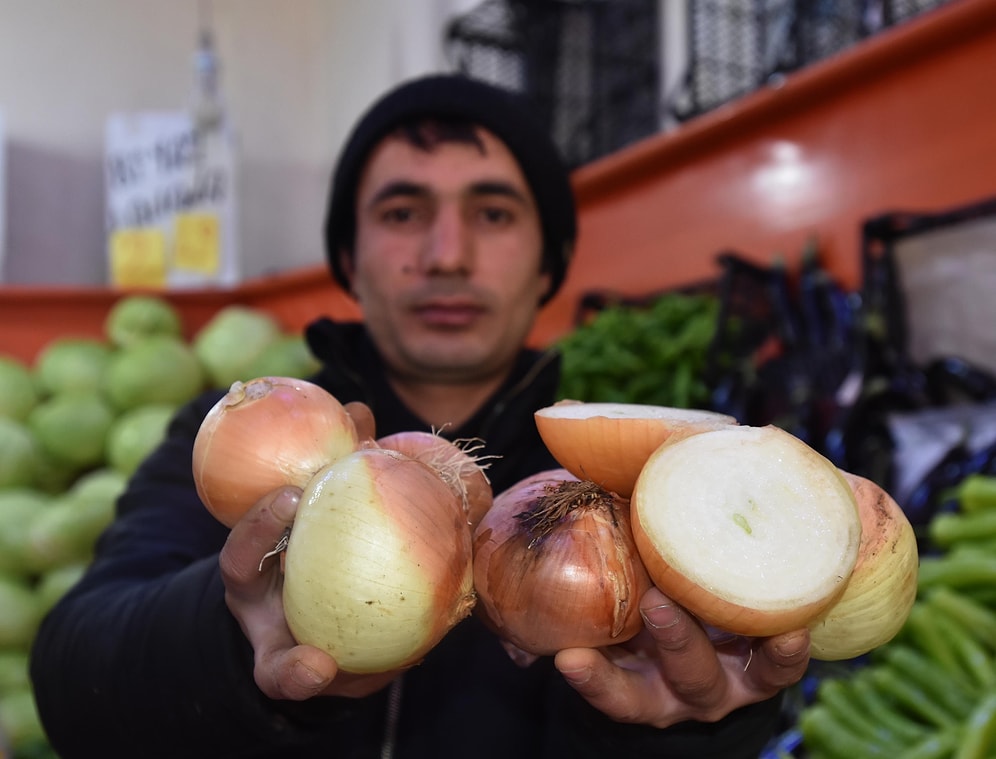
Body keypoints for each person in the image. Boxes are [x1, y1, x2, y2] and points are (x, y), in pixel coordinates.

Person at [30, 74, 810, 758]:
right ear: (349, 256)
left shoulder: (623, 471)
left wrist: (690, 725)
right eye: (403, 212)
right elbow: (71, 682)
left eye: (494, 213)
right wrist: (235, 637)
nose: (446, 253)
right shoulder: (234, 428)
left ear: (549, 262)